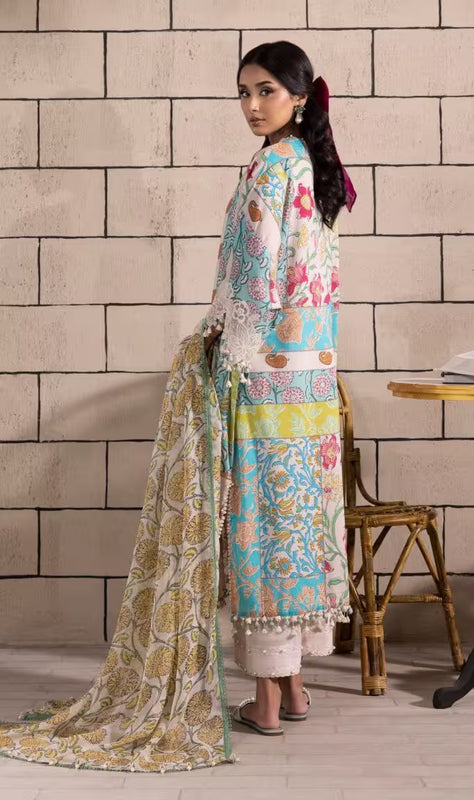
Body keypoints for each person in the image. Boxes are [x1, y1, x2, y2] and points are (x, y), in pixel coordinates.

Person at [0, 40, 354, 772]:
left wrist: (217, 345)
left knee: (258, 526)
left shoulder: (272, 167)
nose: (251, 106)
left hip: (262, 378)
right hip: (313, 383)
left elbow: (255, 278)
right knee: (298, 522)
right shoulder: (314, 167)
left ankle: (265, 700)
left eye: (265, 91)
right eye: (243, 92)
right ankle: (292, 688)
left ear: (299, 95)